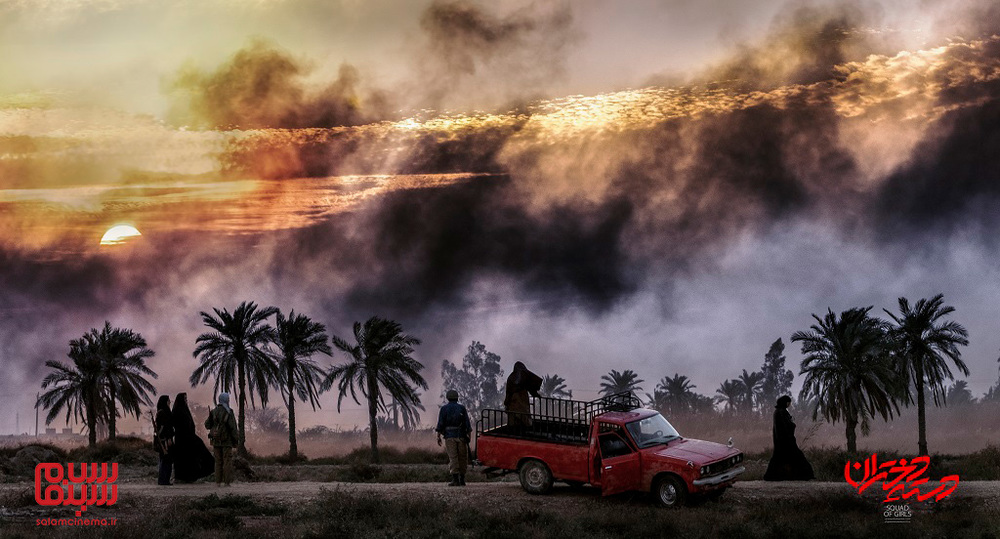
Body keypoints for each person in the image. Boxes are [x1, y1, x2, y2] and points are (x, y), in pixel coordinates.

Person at [763, 395, 815, 481]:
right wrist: (793, 425)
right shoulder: (781, 412)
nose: (789, 404)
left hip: (782, 441)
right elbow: (786, 426)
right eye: (788, 402)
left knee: (780, 458)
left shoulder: (779, 412)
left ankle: (779, 476)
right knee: (796, 457)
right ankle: (804, 475)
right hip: (786, 441)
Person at [171, 393, 215, 483]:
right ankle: (182, 478)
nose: (186, 400)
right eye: (184, 398)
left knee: (196, 456)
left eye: (186, 398)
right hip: (182, 439)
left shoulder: (184, 410)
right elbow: (178, 425)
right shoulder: (177, 411)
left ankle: (191, 477)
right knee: (183, 458)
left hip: (189, 438)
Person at [436, 390, 471, 487]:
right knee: (463, 457)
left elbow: (440, 424)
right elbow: (467, 424)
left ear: (447, 398)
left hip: (449, 436)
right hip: (462, 436)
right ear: (457, 397)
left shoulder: (444, 409)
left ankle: (455, 480)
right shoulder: (462, 408)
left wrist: (438, 436)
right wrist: (469, 436)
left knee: (453, 458)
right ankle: (462, 479)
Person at [205, 393, 239, 486]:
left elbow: (207, 425)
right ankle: (227, 482)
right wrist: (236, 441)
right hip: (227, 441)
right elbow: (233, 428)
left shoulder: (213, 412)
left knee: (218, 462)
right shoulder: (229, 412)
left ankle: (218, 482)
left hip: (215, 441)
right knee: (227, 461)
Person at [504, 361, 542, 429]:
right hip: (519, 401)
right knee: (522, 417)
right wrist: (536, 394)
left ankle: (516, 430)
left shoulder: (511, 378)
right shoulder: (524, 376)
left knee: (517, 418)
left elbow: (508, 393)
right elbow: (531, 387)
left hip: (516, 401)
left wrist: (506, 404)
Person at [153, 395, 175, 486]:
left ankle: (165, 479)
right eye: (168, 401)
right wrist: (169, 438)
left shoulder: (163, 412)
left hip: (164, 440)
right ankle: (163, 480)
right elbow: (165, 428)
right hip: (165, 441)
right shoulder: (163, 413)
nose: (169, 402)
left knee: (165, 459)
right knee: (166, 459)